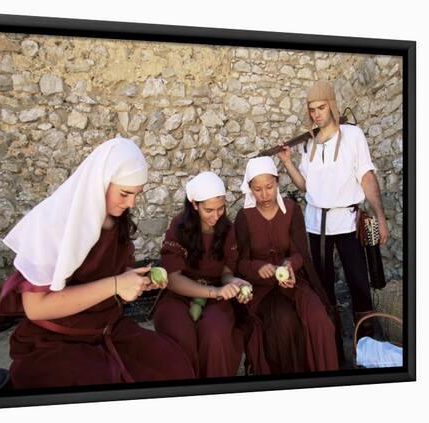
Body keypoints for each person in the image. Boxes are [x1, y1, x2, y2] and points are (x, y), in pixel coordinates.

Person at [0, 137, 195, 389]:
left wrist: (134, 279)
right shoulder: (51, 225)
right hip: (57, 338)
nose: (131, 203)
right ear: (99, 183)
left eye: (136, 195)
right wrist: (115, 285)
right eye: (124, 193)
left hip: (107, 328)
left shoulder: (117, 220)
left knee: (171, 365)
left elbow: (108, 272)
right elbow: (36, 308)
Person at [277, 80, 389, 347]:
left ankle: (367, 347)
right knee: (323, 288)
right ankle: (332, 349)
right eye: (312, 109)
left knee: (360, 285)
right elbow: (305, 186)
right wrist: (287, 162)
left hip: (348, 223)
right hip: (317, 227)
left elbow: (366, 176)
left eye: (321, 107)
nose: (316, 113)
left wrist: (381, 218)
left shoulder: (352, 135)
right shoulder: (308, 144)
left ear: (332, 106)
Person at [234, 157, 338, 375]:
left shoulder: (291, 210)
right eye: (258, 189)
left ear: (278, 182)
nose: (264, 195)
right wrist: (257, 267)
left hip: (293, 282)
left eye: (269, 187)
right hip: (262, 289)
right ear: (250, 189)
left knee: (321, 322)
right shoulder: (244, 217)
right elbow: (240, 263)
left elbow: (301, 252)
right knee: (283, 322)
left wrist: (290, 264)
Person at [152, 172, 250, 378]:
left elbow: (226, 272)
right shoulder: (179, 227)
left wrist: (235, 282)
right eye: (209, 210)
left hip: (217, 295)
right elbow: (173, 279)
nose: (216, 216)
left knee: (216, 334)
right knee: (181, 335)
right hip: (179, 296)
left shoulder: (227, 229)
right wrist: (214, 292)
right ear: (194, 205)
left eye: (221, 208)